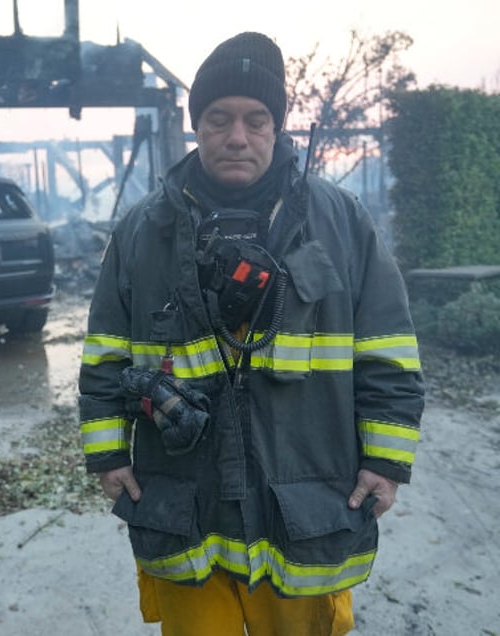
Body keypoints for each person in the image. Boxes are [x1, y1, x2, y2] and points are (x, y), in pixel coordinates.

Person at [78, 32, 424, 635]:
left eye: (255, 120)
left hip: (305, 513)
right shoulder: (140, 233)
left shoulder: (340, 224)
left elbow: (388, 353)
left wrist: (386, 463)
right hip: (185, 509)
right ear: (197, 127)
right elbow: (105, 354)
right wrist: (108, 455)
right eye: (219, 119)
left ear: (277, 127)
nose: (237, 136)